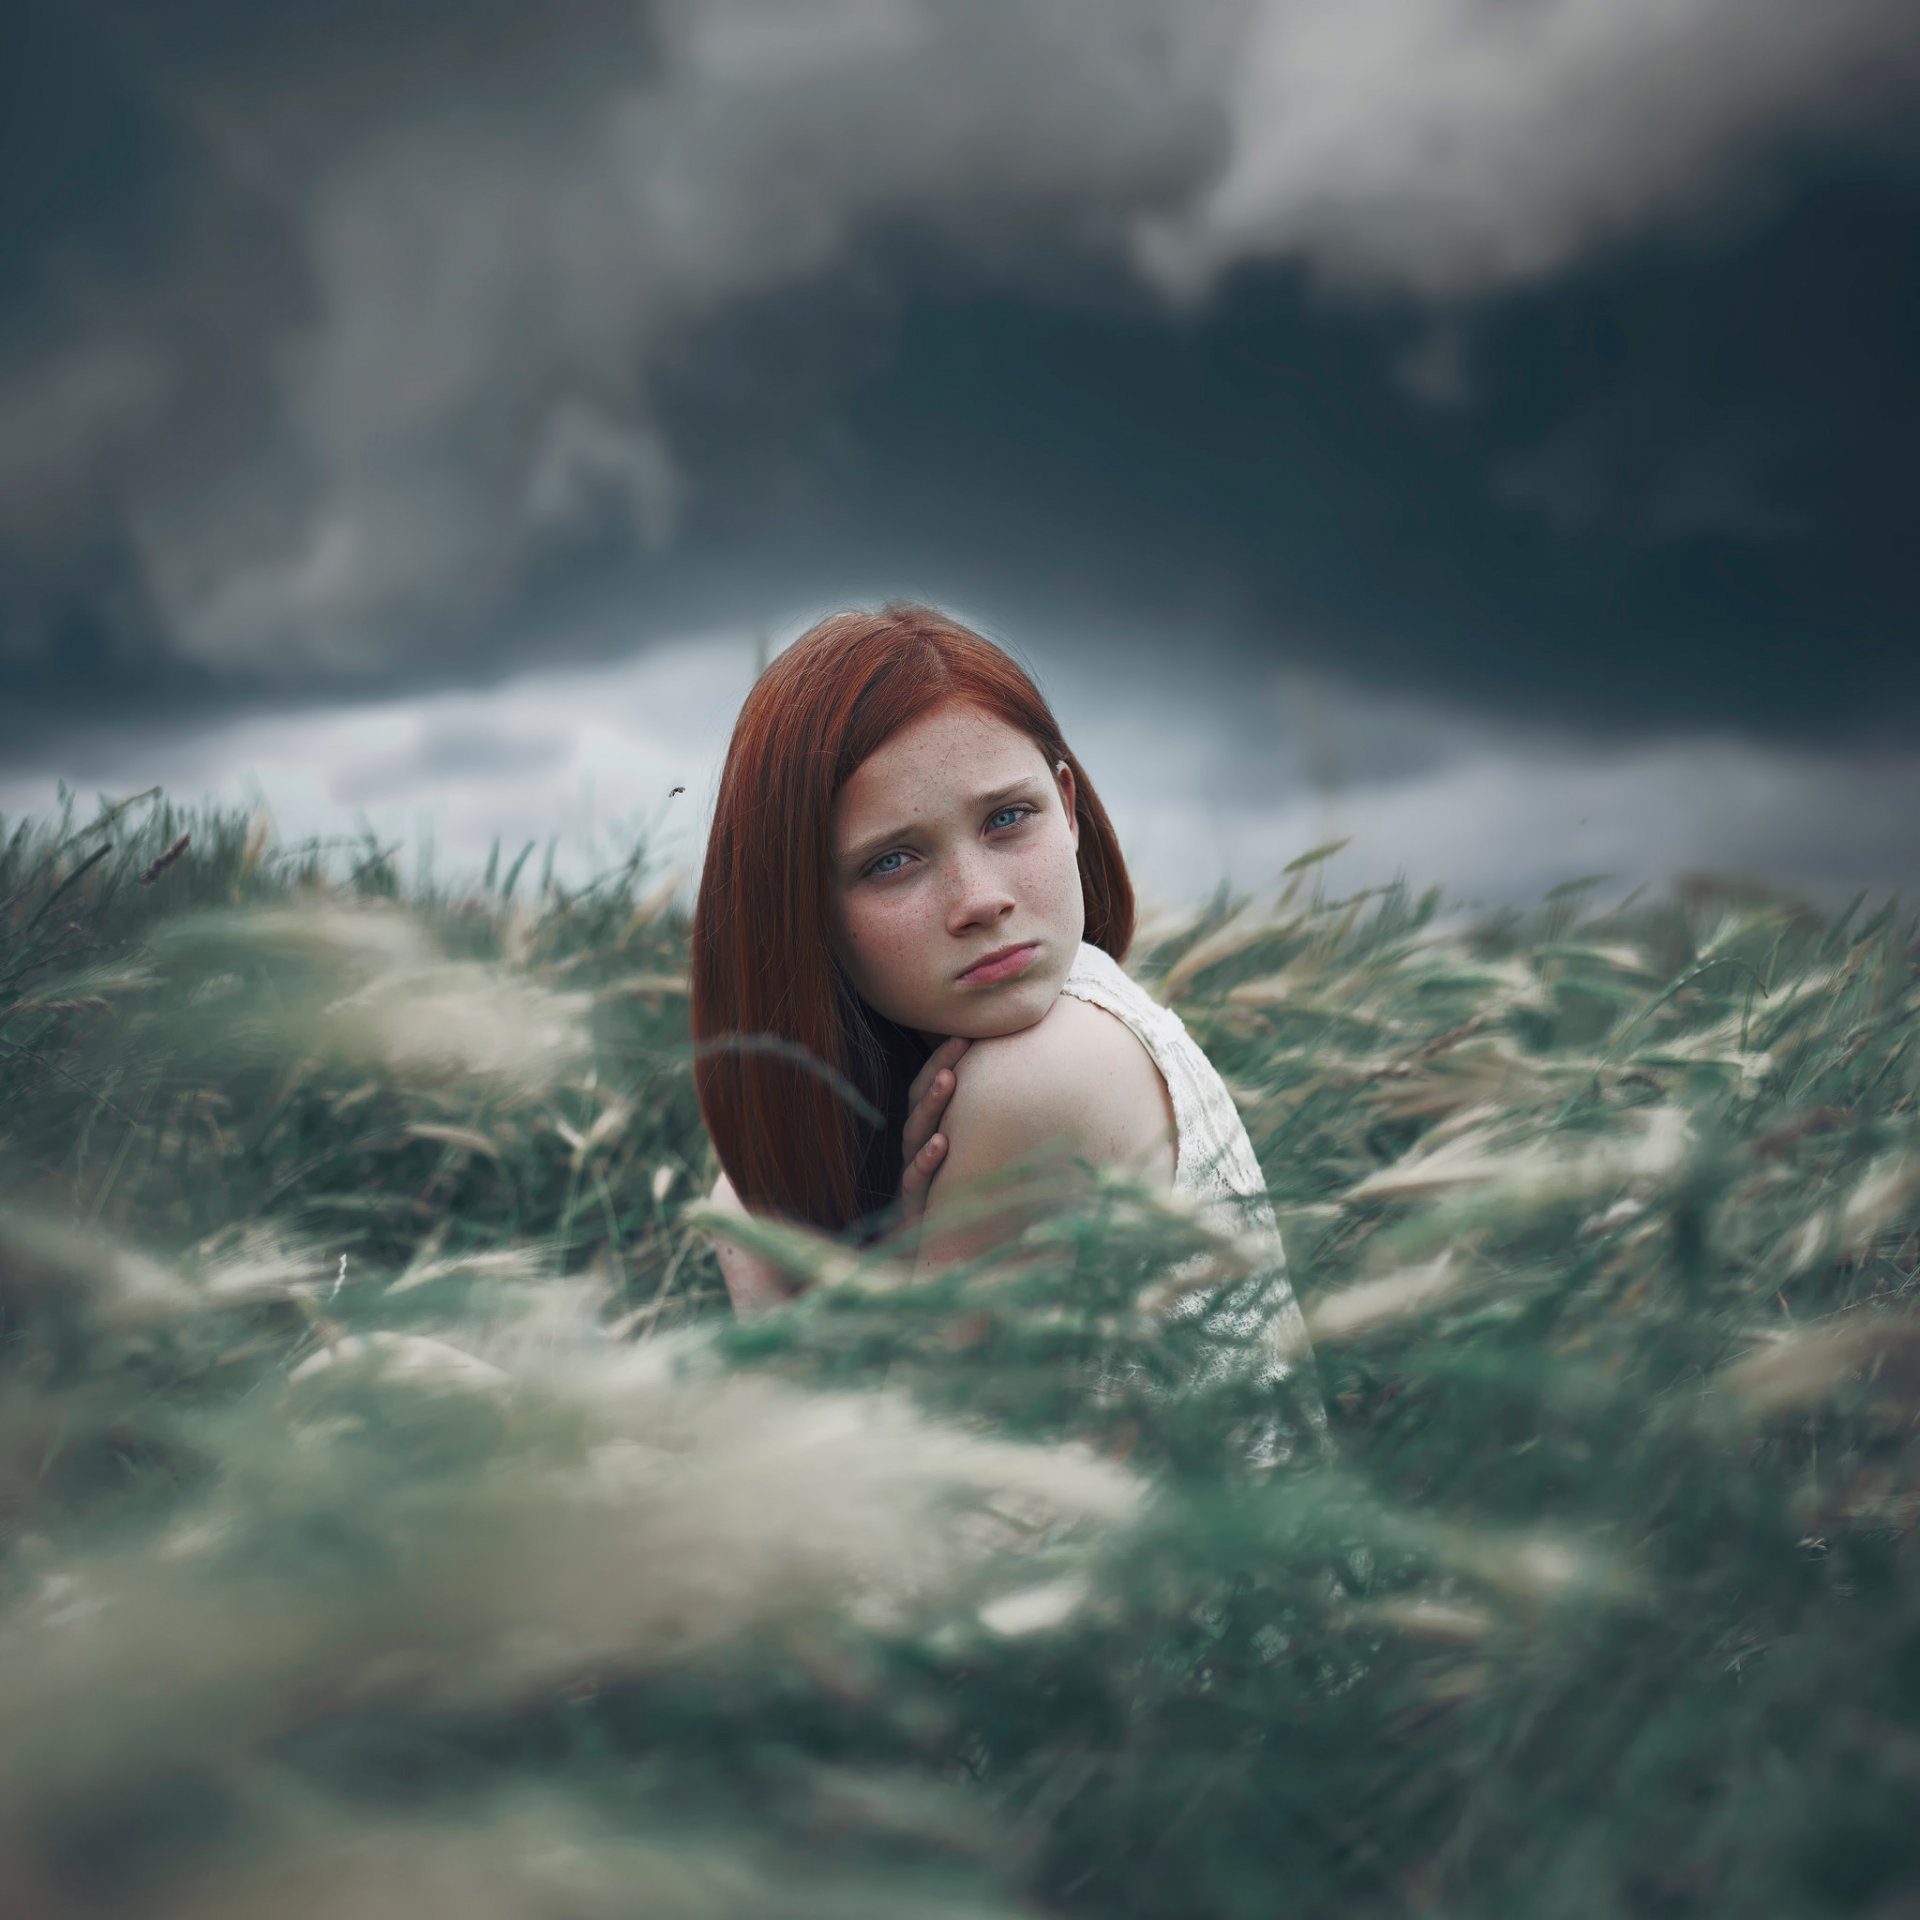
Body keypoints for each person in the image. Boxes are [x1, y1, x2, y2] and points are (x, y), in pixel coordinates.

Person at [691, 601, 1321, 1459]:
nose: (981, 897)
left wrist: (763, 1276)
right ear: (806, 913)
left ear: (1067, 806)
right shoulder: (1082, 1015)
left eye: (1006, 819)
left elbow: (900, 1541)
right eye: (892, 861)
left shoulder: (1045, 1073)